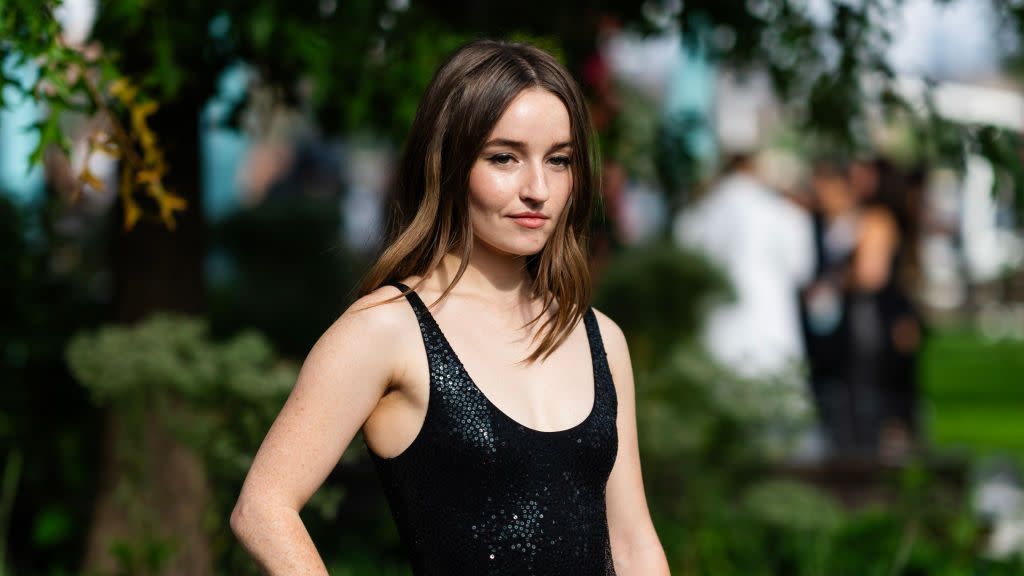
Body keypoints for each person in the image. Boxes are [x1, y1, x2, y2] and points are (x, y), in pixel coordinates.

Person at [229, 39, 669, 576]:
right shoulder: (386, 329)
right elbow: (263, 508)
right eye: (504, 157)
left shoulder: (599, 337)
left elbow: (633, 544)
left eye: (559, 161)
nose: (538, 188)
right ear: (449, 163)